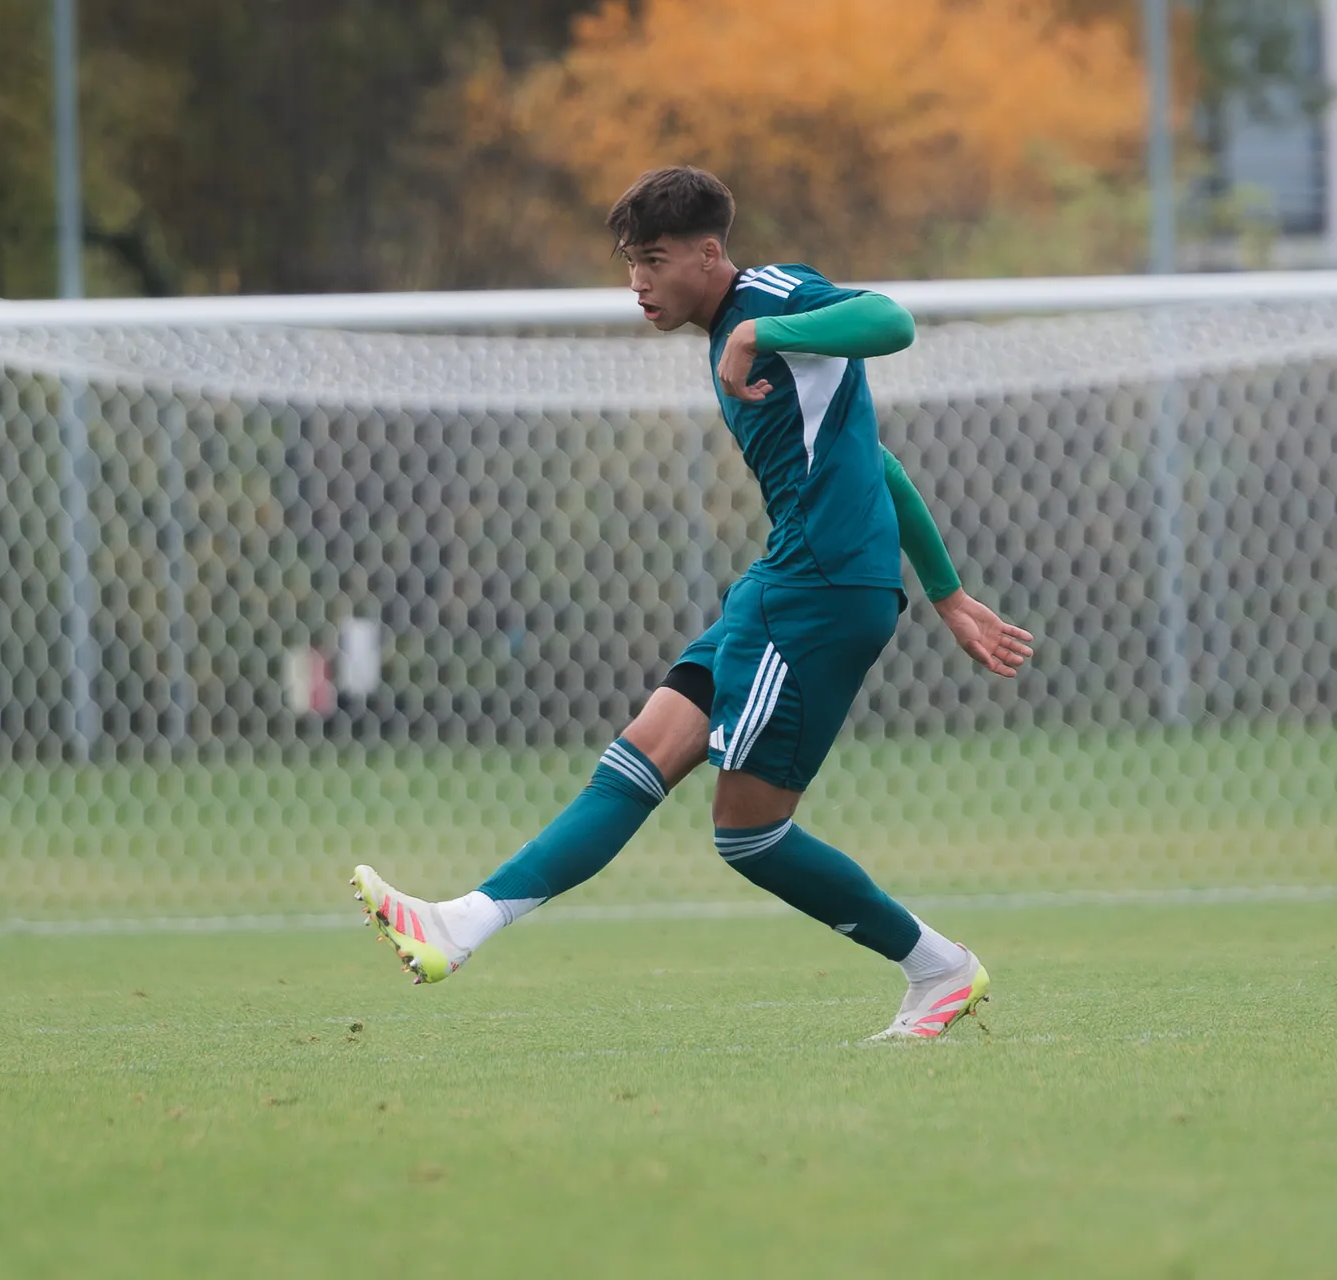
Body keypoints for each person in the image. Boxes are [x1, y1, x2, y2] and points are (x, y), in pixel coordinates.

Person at [352, 166, 1034, 1040]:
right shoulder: (734, 334)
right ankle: (460, 924)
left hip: (821, 590)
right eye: (630, 261)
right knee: (642, 751)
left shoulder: (769, 299)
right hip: (788, 581)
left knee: (749, 835)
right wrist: (948, 593)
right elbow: (877, 462)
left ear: (709, 255)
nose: (637, 281)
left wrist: (762, 330)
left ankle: (939, 969)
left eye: (655, 259)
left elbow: (893, 321)